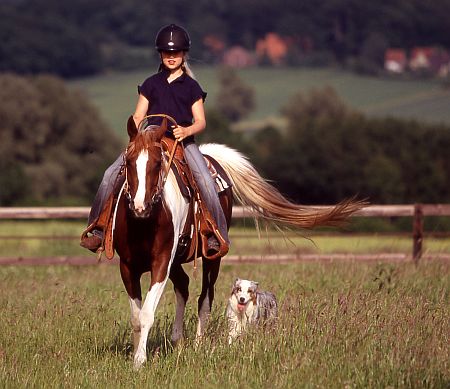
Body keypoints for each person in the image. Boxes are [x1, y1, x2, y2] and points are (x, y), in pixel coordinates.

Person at [80, 23, 229, 257]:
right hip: (149, 140)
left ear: (184, 54)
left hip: (181, 140)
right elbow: (139, 114)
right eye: (167, 53)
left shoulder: (191, 87)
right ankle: (98, 229)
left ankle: (213, 234)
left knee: (205, 180)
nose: (171, 57)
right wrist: (136, 133)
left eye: (176, 53)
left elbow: (201, 121)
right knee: (110, 175)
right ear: (160, 54)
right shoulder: (151, 83)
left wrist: (186, 131)